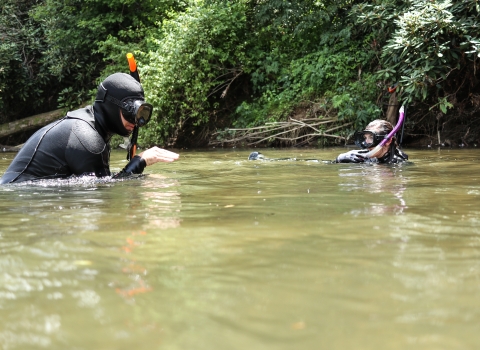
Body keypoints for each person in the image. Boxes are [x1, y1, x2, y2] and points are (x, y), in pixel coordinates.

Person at [0, 72, 179, 184]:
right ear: (111, 106)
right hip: (18, 198)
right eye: (130, 112)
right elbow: (103, 190)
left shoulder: (91, 127)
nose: (136, 121)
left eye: (141, 114)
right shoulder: (87, 137)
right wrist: (139, 162)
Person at [334, 119, 408, 164]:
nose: (367, 142)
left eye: (371, 137)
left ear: (388, 141)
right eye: (365, 138)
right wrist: (340, 158)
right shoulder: (374, 154)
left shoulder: (397, 162)